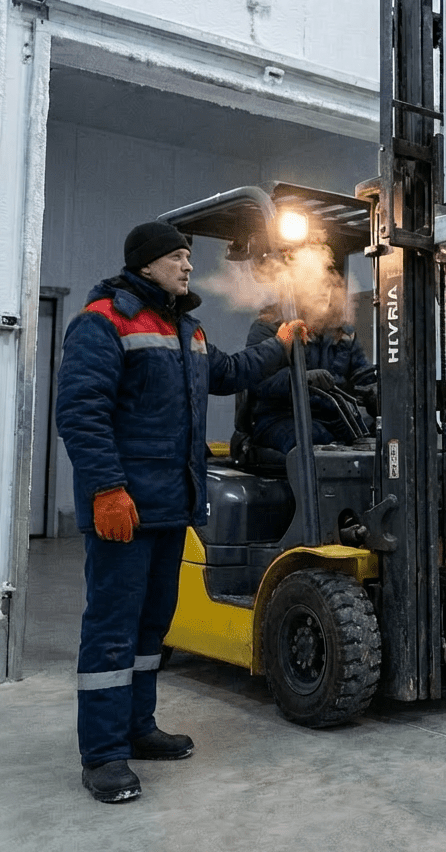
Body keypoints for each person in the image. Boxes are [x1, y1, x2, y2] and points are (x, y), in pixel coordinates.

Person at [55, 222, 307, 803]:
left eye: (190, 256)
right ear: (146, 265)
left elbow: (229, 374)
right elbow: (81, 412)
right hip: (126, 510)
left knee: (151, 627)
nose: (189, 266)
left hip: (171, 509)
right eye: (177, 256)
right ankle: (103, 755)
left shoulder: (186, 329)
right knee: (112, 632)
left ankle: (138, 728)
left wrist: (280, 345)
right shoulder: (103, 321)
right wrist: (106, 490)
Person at [245, 290, 376, 455]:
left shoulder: (342, 332)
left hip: (336, 417)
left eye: (327, 283)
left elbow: (363, 375)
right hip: (281, 418)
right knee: (317, 444)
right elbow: (259, 381)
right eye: (316, 279)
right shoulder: (270, 327)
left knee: (384, 436)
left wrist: (375, 392)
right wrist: (302, 379)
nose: (324, 290)